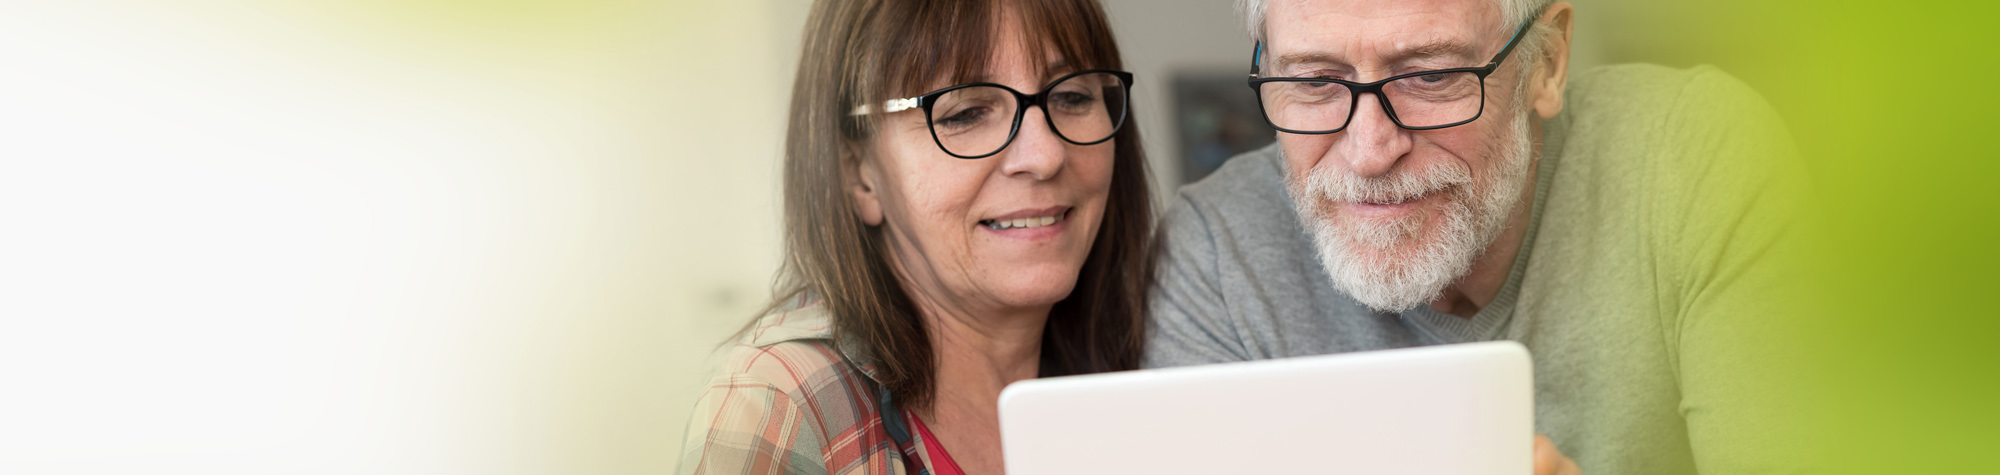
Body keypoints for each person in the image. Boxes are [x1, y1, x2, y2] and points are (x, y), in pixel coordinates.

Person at [1145, 0, 1813, 474]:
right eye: (1316, 81)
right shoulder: (1216, 252)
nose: (1370, 150)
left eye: (1430, 75)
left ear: (1546, 64)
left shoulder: (1695, 158)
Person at [677, 0, 1154, 474]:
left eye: (1072, 97)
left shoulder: (1159, 362)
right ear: (858, 174)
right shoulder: (781, 405)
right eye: (964, 113)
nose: (1046, 155)